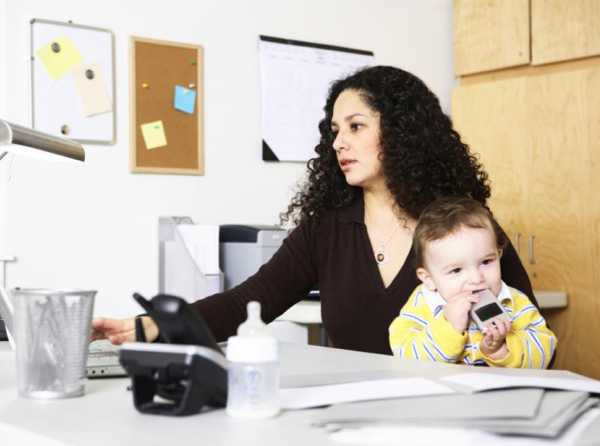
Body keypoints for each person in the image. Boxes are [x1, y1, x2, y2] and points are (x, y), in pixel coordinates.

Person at [92, 65, 538, 355]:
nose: (338, 143)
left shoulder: (462, 226)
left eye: (356, 127)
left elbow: (534, 332)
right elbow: (245, 303)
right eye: (334, 130)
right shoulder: (325, 229)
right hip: (355, 420)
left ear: (403, 133)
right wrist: (153, 326)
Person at [388, 197, 556, 368]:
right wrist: (449, 327)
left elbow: (544, 349)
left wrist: (501, 350)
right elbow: (405, 356)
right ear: (429, 279)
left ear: (498, 255)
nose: (477, 279)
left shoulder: (514, 302)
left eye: (486, 262)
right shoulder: (422, 303)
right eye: (456, 270)